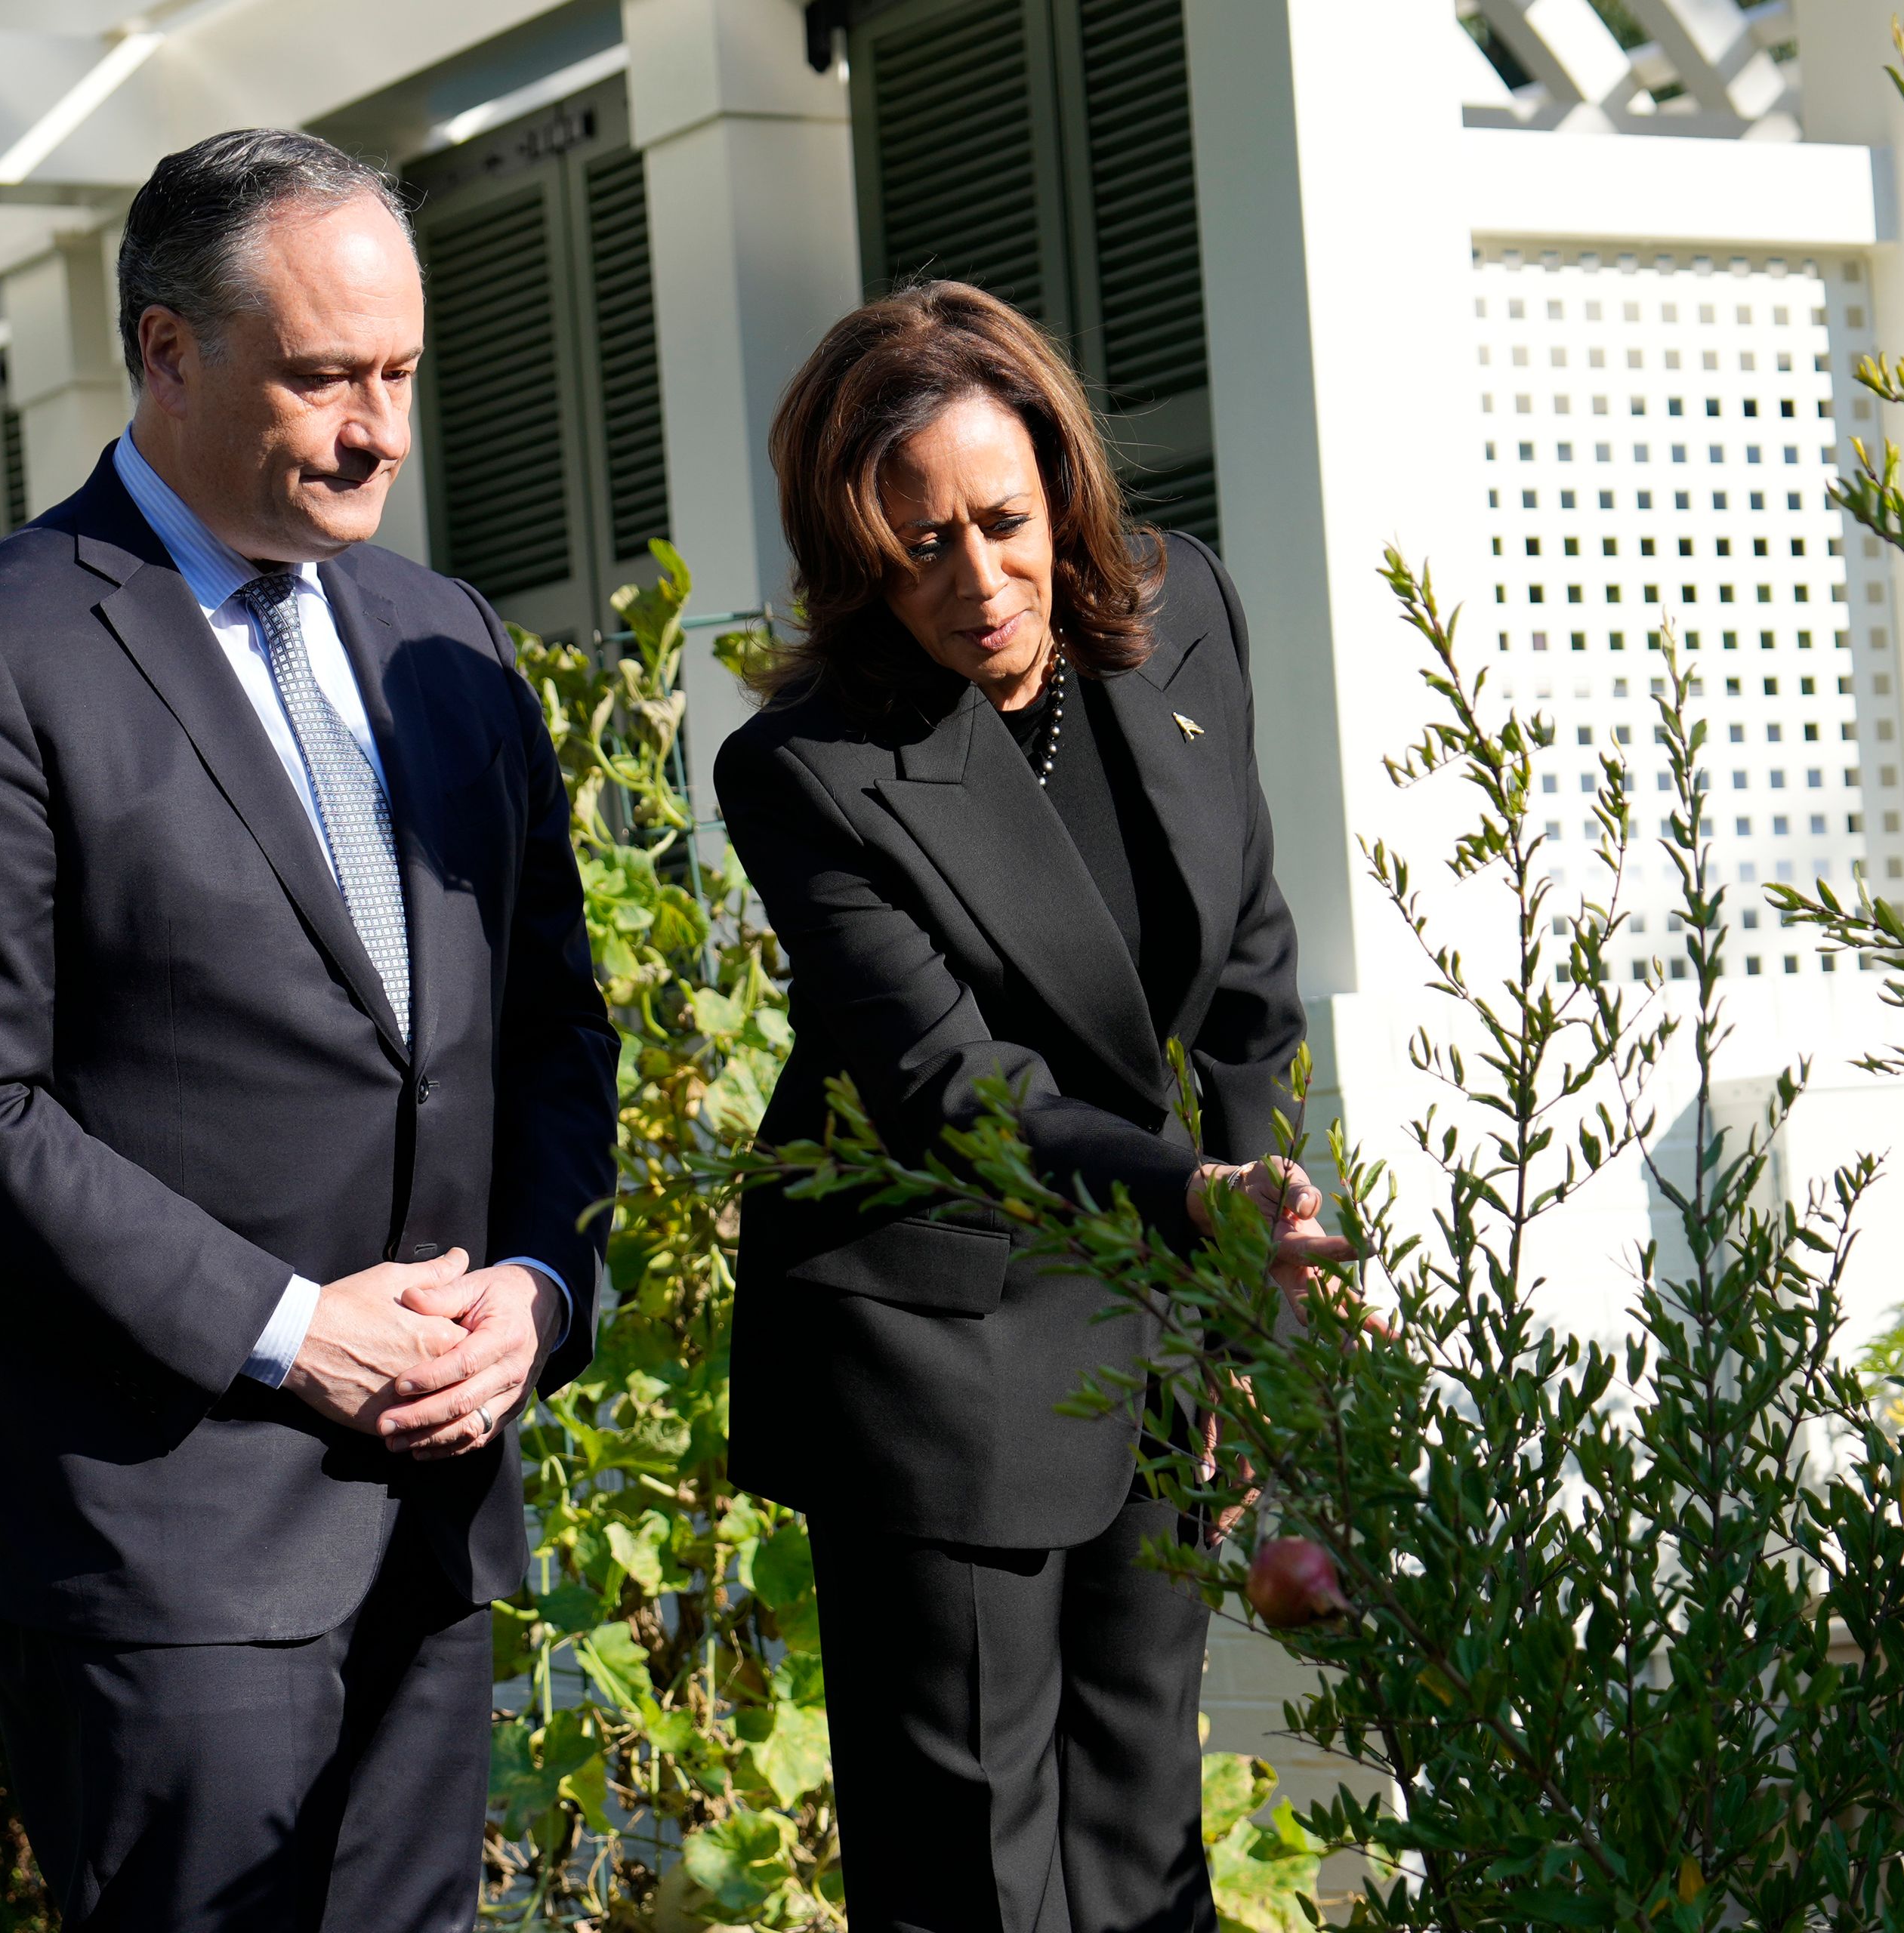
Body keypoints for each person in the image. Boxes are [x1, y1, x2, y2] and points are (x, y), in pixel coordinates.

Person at [0, 128, 619, 1931]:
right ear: (168, 352)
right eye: (326, 375)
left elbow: (556, 1028)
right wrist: (286, 1329)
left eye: (401, 373)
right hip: (159, 1533)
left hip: (438, 1509)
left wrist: (543, 1296)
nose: (380, 429)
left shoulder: (451, 639)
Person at [715, 281, 1347, 1933]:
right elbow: (946, 1087)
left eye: (1004, 522)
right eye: (919, 545)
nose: (979, 581)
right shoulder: (809, 768)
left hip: (1157, 1304)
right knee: (977, 1874)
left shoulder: (1182, 603)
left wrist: (1244, 1274)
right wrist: (1193, 1199)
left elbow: (1248, 967)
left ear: (1061, 486)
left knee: (1146, 1849)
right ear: (857, 551)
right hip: (943, 1344)